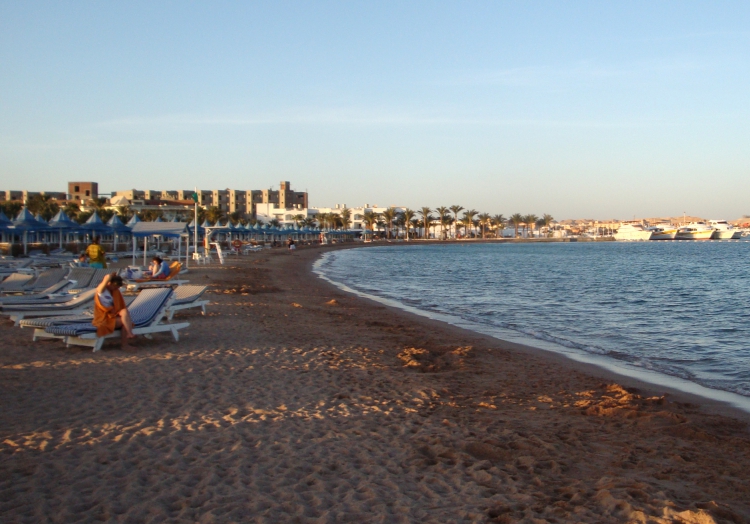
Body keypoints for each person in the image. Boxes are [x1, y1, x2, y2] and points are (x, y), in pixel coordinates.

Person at [94, 272, 135, 350]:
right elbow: (106, 279)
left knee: (124, 312)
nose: (117, 289)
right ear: (109, 283)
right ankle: (125, 343)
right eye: (115, 287)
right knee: (125, 323)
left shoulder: (114, 291)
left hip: (114, 315)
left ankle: (129, 334)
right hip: (104, 318)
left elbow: (119, 306)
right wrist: (109, 277)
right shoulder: (102, 290)